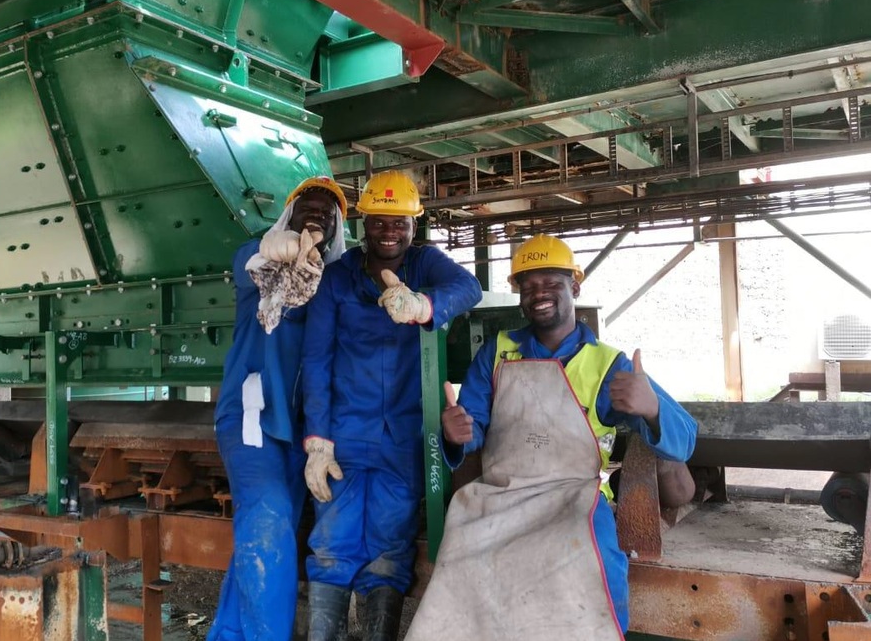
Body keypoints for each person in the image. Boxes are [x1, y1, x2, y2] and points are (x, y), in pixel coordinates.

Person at [406, 233, 697, 640]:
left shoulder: (606, 363)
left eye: (551, 284)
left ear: (574, 288)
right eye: (528, 286)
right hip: (499, 497)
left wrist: (652, 409)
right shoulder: (497, 351)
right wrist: (457, 436)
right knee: (461, 557)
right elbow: (471, 426)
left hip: (573, 499)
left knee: (590, 576)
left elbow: (685, 438)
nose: (538, 294)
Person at [300, 170, 483, 641]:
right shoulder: (337, 278)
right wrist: (317, 439)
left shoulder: (425, 265)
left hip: (403, 437)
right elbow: (317, 359)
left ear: (413, 226)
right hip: (343, 435)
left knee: (389, 547)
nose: (389, 231)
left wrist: (423, 305)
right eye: (379, 222)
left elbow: (469, 287)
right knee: (331, 545)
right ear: (363, 224)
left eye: (399, 222)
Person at [207, 176, 348, 641]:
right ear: (288, 213)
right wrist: (275, 250)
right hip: (253, 420)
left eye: (329, 213)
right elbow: (246, 265)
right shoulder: (260, 258)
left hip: (302, 433)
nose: (318, 215)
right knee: (268, 525)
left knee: (265, 536)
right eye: (308, 205)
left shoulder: (333, 281)